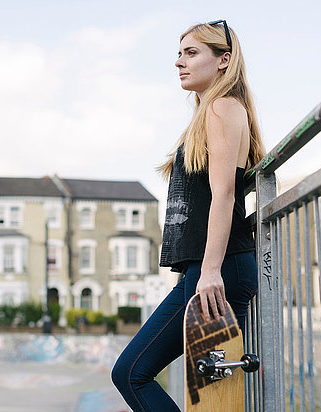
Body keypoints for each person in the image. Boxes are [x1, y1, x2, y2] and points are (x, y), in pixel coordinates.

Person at [111, 20, 266, 411]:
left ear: (223, 60)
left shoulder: (222, 107)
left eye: (191, 53)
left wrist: (210, 270)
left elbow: (224, 194)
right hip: (205, 269)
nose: (179, 62)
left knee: (132, 372)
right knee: (214, 397)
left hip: (218, 268)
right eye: (179, 53)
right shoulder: (207, 115)